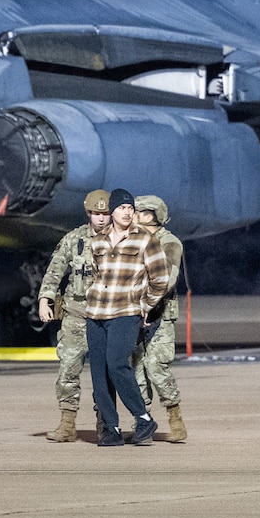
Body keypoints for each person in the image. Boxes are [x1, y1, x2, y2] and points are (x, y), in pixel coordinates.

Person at [84, 188, 172, 447]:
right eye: (122, 208)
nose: (127, 212)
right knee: (99, 373)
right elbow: (96, 274)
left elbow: (161, 278)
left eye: (130, 208)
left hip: (126, 311)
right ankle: (110, 428)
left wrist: (145, 304)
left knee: (117, 364)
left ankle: (143, 418)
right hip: (96, 312)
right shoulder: (98, 241)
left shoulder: (145, 239)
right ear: (112, 212)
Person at [36, 189, 111, 443]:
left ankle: (106, 423)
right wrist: (45, 298)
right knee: (68, 369)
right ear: (88, 212)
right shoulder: (74, 239)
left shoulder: (121, 239)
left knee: (106, 374)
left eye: (105, 213)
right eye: (96, 213)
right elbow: (55, 270)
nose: (100, 218)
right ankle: (67, 423)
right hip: (76, 315)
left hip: (108, 316)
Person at [132, 195, 187, 443]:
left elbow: (168, 278)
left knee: (157, 368)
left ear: (153, 215)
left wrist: (148, 302)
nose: (135, 215)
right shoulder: (133, 241)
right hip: (132, 315)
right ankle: (142, 422)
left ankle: (175, 419)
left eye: (141, 212)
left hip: (160, 315)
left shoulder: (170, 243)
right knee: (136, 371)